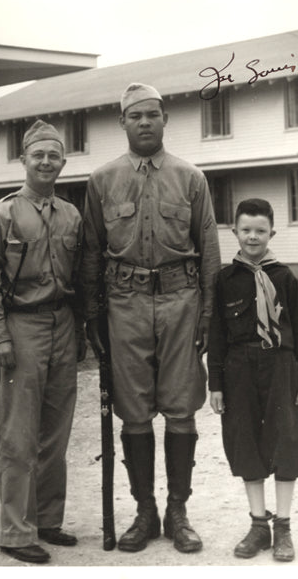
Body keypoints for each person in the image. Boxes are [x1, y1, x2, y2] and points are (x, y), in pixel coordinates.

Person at [81, 82, 221, 554]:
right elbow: (91, 254)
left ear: (165, 120)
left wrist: (207, 314)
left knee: (182, 405)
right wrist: (94, 318)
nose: (145, 123)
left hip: (182, 300)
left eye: (153, 115)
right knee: (134, 408)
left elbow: (209, 251)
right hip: (125, 304)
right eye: (135, 116)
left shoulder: (190, 177)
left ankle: (177, 511)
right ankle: (145, 511)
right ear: (122, 122)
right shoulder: (102, 181)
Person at [0, 120, 85, 564]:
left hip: (61, 325)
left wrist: (78, 333)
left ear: (63, 162)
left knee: (56, 429)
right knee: (18, 434)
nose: (46, 162)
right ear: (23, 160)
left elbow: (76, 280)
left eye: (54, 155)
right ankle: (16, 533)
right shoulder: (2, 214)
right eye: (38, 155)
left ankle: (48, 519)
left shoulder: (72, 215)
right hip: (20, 327)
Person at [207, 198, 298, 562]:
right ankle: (258, 525)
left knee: (286, 440)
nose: (253, 237)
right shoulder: (224, 280)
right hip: (239, 369)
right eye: (246, 230)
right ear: (234, 232)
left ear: (272, 233)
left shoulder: (283, 276)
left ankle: (283, 526)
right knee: (245, 440)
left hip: (282, 368)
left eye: (261, 231)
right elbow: (217, 336)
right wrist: (216, 384)